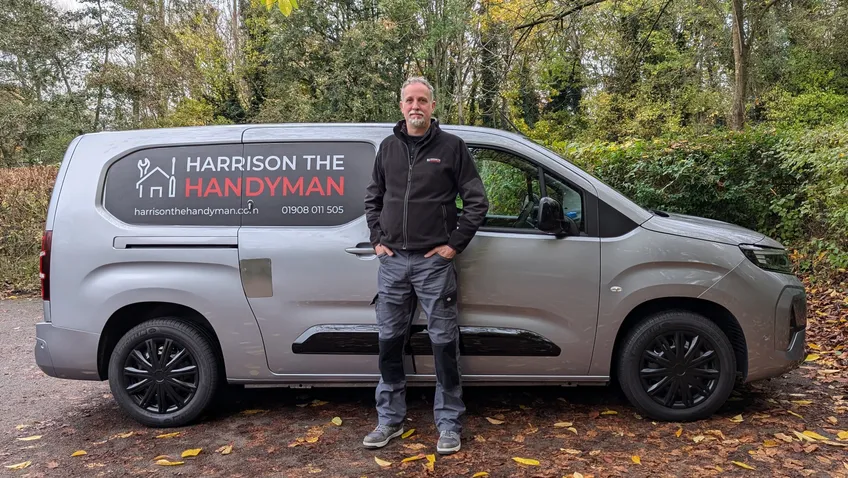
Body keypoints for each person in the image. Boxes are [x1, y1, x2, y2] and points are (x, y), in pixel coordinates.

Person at [362, 76, 488, 455]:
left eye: (422, 100)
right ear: (401, 106)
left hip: (434, 263)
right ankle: (389, 420)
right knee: (389, 342)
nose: (415, 106)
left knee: (444, 342)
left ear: (433, 106)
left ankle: (448, 423)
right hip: (393, 262)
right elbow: (373, 198)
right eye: (409, 100)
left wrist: (453, 246)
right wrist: (377, 239)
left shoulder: (452, 147)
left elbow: (477, 203)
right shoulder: (387, 148)